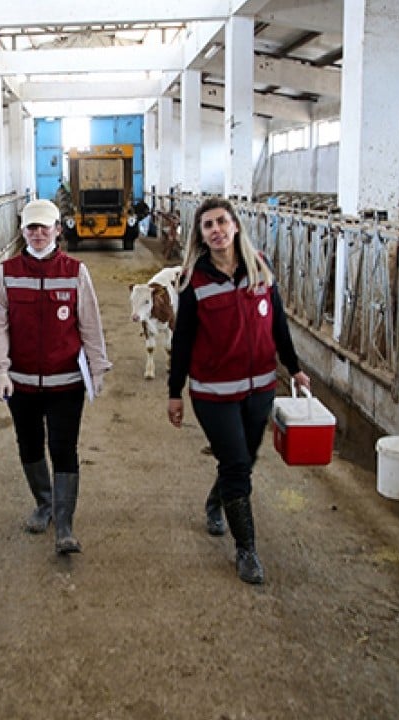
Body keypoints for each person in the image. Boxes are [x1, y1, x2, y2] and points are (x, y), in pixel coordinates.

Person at [167, 197, 309, 585]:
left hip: (261, 386)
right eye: (207, 225)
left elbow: (278, 321)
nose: (216, 230)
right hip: (213, 393)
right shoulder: (193, 279)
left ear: (235, 226)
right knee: (236, 466)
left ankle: (216, 502)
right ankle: (246, 550)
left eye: (221, 222)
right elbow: (182, 341)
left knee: (244, 459)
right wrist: (175, 391)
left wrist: (294, 368)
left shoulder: (259, 265)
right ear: (200, 235)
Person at [0, 198, 111, 554]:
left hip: (65, 382)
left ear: (58, 228)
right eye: (31, 228)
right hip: (20, 383)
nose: (38, 234)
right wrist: (0, 369)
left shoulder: (74, 271)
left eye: (45, 227)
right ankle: (44, 503)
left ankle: (65, 525)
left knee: (63, 447)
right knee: (29, 444)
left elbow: (89, 323)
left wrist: (97, 366)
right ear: (22, 231)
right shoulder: (6, 273)